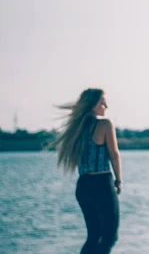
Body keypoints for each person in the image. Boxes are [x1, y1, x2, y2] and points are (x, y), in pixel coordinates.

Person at [51, 88, 122, 254]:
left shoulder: (77, 129)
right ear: (92, 105)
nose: (106, 106)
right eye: (102, 103)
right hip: (102, 183)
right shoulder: (104, 124)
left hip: (83, 186)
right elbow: (114, 154)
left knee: (93, 237)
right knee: (109, 237)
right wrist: (119, 180)